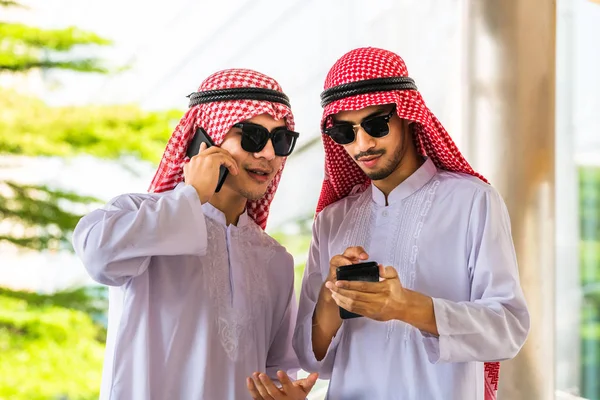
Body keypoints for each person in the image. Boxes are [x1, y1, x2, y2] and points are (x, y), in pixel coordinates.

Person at [292, 47, 530, 400]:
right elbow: (311, 358)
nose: (363, 143)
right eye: (345, 132)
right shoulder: (332, 220)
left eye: (376, 124)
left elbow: (507, 328)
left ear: (406, 115)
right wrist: (330, 301)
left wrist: (405, 306)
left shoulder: (471, 201)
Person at [72, 68, 316, 400]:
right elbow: (97, 256)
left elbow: (278, 372)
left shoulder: (275, 260)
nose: (269, 154)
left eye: (280, 140)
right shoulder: (139, 213)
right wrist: (191, 195)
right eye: (252, 137)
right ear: (206, 139)